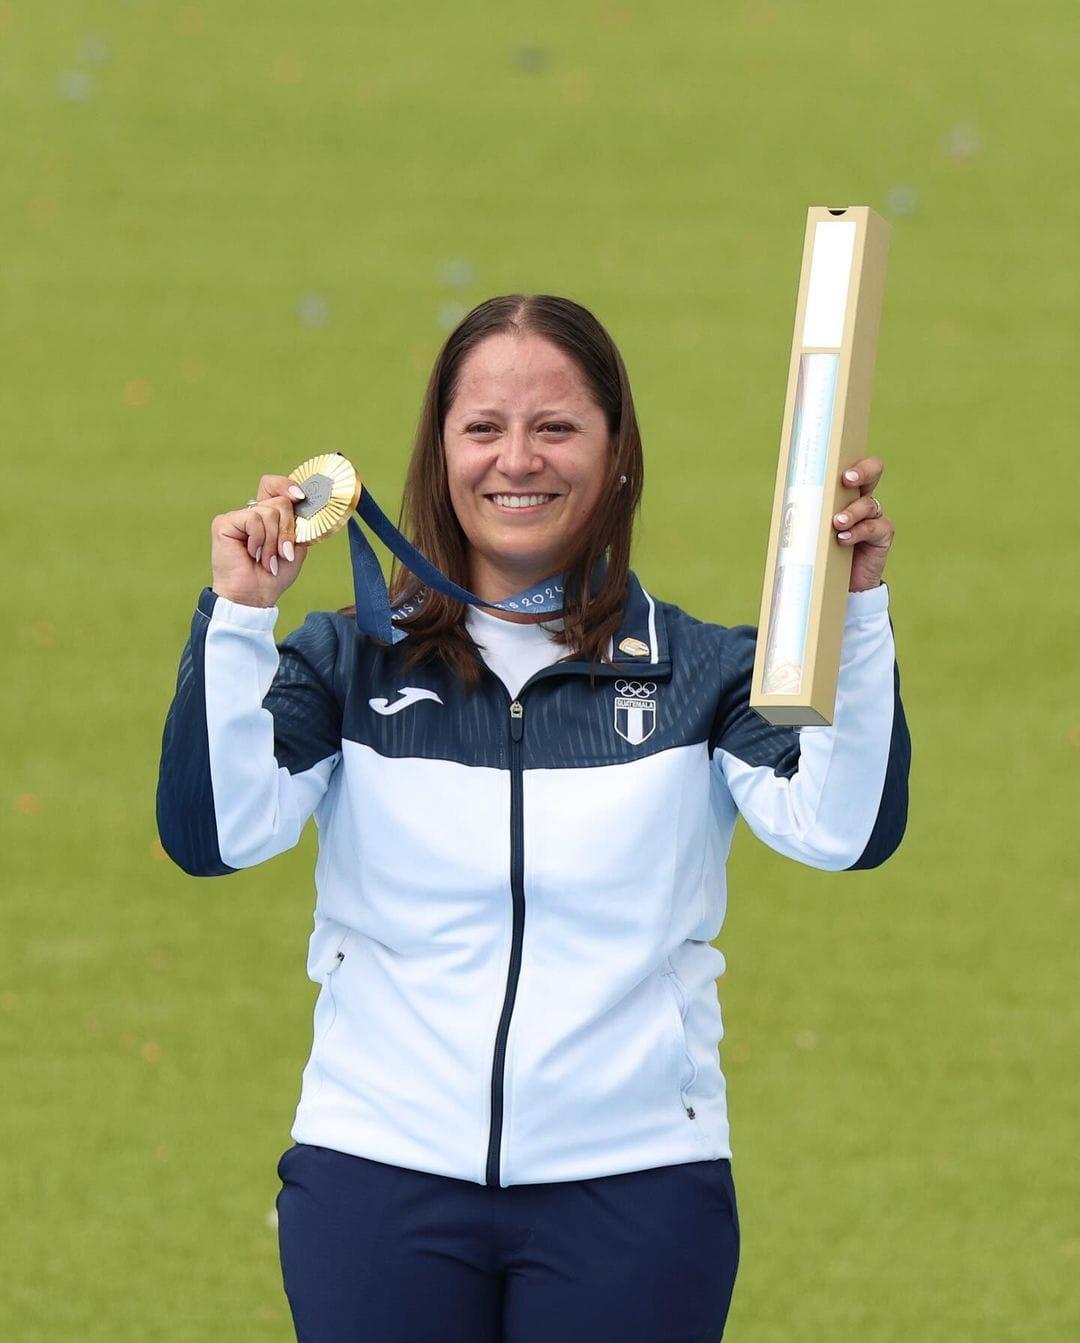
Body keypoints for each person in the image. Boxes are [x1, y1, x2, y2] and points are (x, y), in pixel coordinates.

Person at [156, 293, 910, 1342]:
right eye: (484, 428)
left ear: (618, 453)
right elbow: (215, 833)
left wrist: (855, 611)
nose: (519, 459)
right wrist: (239, 615)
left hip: (637, 1185)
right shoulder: (347, 662)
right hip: (377, 1175)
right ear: (439, 455)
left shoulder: (704, 673)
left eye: (556, 426)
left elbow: (845, 828)